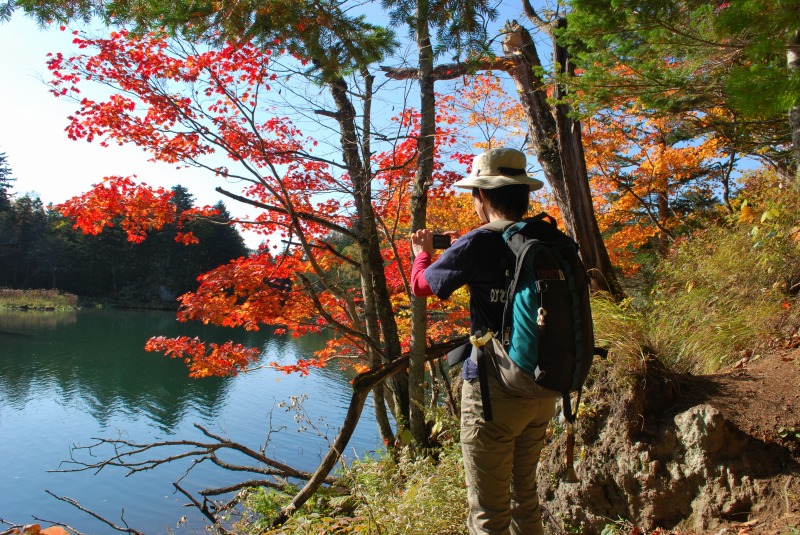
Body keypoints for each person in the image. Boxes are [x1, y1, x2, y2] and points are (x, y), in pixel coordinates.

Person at [410, 147, 558, 535]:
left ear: (482, 196)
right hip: (545, 384)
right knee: (525, 499)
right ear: (523, 195)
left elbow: (421, 286)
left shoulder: (477, 243)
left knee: (489, 513)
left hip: (495, 391)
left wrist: (421, 255)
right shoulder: (546, 236)